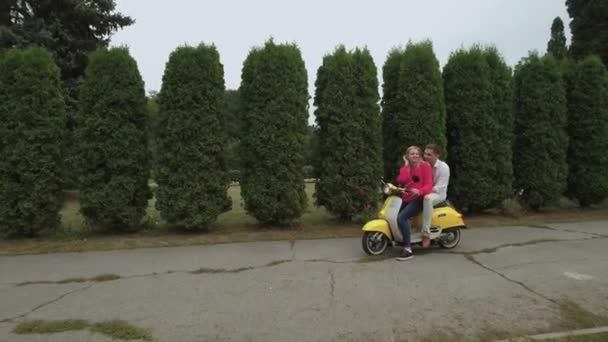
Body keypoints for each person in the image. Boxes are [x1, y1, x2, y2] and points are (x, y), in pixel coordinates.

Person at [395, 146, 433, 261]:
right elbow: (401, 180)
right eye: (412, 154)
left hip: (419, 198)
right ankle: (403, 240)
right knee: (395, 217)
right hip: (407, 198)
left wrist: (420, 191)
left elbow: (429, 184)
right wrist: (406, 165)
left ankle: (408, 249)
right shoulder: (406, 168)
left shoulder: (425, 166)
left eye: (417, 153)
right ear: (407, 156)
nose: (415, 155)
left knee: (401, 218)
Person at [421, 143, 450, 248]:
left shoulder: (444, 168)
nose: (426, 157)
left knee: (427, 199)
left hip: (438, 194)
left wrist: (424, 190)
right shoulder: (423, 165)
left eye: (429, 155)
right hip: (426, 190)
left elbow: (440, 187)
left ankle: (426, 233)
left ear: (437, 155)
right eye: (425, 154)